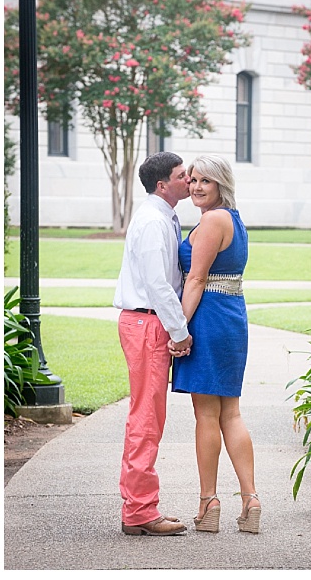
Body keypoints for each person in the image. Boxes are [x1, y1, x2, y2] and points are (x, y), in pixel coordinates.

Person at [171, 154, 259, 534]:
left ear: (221, 183)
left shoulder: (212, 220)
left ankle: (208, 503)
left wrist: (177, 329)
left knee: (207, 414)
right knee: (231, 413)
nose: (195, 187)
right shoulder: (235, 220)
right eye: (192, 180)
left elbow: (195, 280)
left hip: (208, 319)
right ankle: (250, 500)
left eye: (205, 181)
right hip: (232, 316)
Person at [112, 151, 193, 536]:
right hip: (147, 323)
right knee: (146, 418)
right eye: (182, 176)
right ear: (163, 185)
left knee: (148, 417)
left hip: (147, 322)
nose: (188, 181)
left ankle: (139, 508)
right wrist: (179, 331)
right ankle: (141, 511)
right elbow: (159, 284)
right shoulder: (152, 222)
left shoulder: (162, 217)